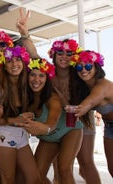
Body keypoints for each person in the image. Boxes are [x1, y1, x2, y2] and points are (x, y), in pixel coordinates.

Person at [16, 58, 83, 184]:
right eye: (33, 75)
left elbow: (52, 123)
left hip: (69, 131)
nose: (36, 80)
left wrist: (44, 128)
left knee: (64, 169)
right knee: (36, 176)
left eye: (41, 76)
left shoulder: (53, 98)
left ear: (47, 79)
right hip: (49, 139)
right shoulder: (24, 98)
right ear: (27, 77)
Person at [48, 39, 101, 184]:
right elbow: (33, 54)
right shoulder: (48, 73)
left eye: (69, 53)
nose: (64, 56)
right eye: (60, 52)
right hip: (60, 123)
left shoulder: (79, 72)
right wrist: (24, 33)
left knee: (85, 162)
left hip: (83, 120)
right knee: (60, 167)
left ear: (74, 56)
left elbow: (97, 86)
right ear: (54, 54)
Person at [0, 46, 41, 184]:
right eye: (9, 61)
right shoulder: (0, 90)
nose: (14, 64)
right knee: (8, 180)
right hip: (3, 135)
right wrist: (16, 120)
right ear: (4, 66)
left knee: (34, 179)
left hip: (22, 136)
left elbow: (41, 65)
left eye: (18, 60)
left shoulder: (27, 86)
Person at [72, 50, 113, 177]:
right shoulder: (84, 87)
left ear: (96, 67)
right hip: (109, 127)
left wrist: (75, 110)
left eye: (88, 66)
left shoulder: (103, 85)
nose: (84, 70)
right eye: (79, 66)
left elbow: (89, 103)